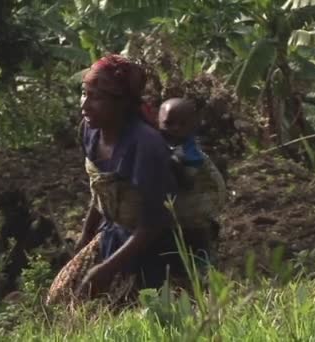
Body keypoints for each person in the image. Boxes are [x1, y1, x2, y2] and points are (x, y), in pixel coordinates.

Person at [46, 55, 186, 306]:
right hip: (112, 234)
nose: (85, 105)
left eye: (96, 97)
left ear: (122, 104)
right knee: (59, 300)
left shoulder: (145, 146)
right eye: (84, 93)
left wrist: (106, 269)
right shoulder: (90, 130)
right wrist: (86, 235)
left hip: (151, 249)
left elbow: (154, 224)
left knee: (122, 314)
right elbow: (102, 191)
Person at [157, 97, 227, 269]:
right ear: (157, 122)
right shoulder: (158, 143)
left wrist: (174, 165)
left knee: (199, 255)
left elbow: (187, 182)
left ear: (194, 124)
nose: (176, 129)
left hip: (194, 218)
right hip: (175, 220)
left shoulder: (191, 151)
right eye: (169, 123)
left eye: (183, 124)